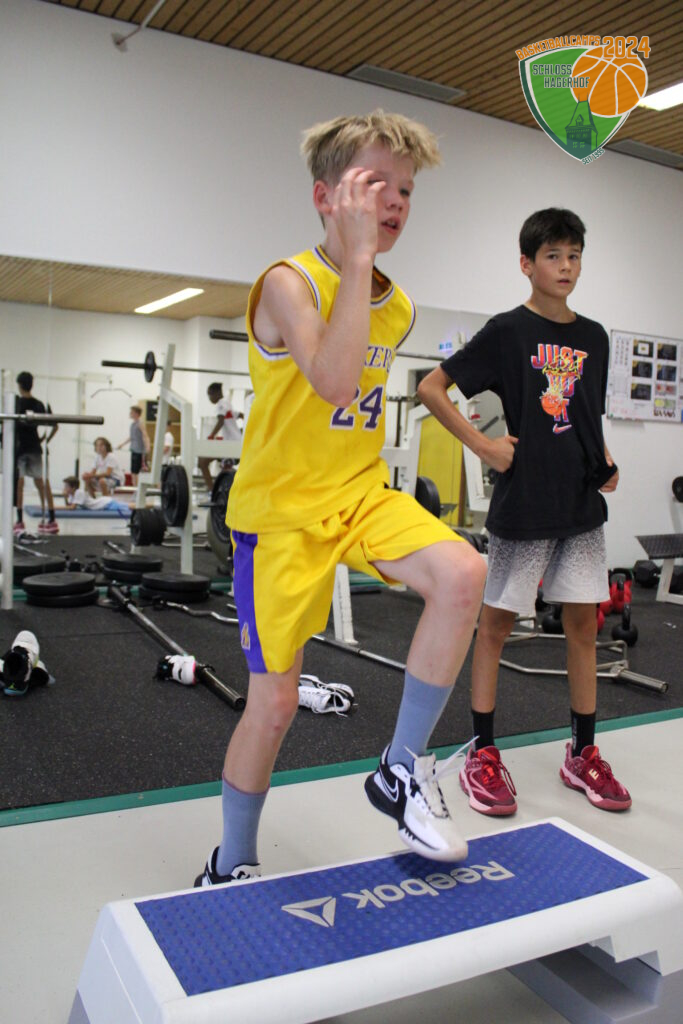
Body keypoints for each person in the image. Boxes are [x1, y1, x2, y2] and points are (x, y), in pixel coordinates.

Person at [194, 110, 487, 889]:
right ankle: (230, 862)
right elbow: (330, 380)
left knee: (462, 572)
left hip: (357, 493)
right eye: (372, 184)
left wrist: (362, 268)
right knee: (274, 705)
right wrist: (355, 260)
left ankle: (400, 768)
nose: (392, 202)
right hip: (278, 517)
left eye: (405, 191)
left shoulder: (398, 304)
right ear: (326, 197)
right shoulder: (288, 283)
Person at [417, 207, 631, 817]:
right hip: (525, 503)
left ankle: (582, 753)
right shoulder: (508, 331)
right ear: (526, 264)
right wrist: (484, 446)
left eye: (574, 256)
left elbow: (586, 415)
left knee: (584, 629)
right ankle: (483, 753)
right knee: (495, 628)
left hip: (580, 506)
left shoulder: (595, 337)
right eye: (553, 256)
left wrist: (606, 461)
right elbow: (431, 388)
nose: (566, 267)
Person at [13, 371, 59, 535]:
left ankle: (19, 521)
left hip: (21, 449)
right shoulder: (38, 404)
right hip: (33, 447)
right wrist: (44, 440)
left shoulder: (16, 404)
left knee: (20, 485)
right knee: (41, 483)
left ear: (19, 385)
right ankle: (51, 519)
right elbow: (55, 426)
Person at [198, 383, 241, 489]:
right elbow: (240, 415)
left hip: (230, 445)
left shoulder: (221, 405)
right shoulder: (228, 404)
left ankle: (211, 490)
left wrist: (211, 435)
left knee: (202, 462)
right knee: (223, 468)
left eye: (210, 394)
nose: (209, 398)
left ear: (217, 393)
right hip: (236, 442)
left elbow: (221, 421)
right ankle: (216, 489)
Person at [117, 406, 150, 485]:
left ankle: (137, 487)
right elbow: (132, 437)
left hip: (139, 451)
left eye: (132, 412)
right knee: (133, 471)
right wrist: (122, 444)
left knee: (136, 471)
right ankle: (134, 486)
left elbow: (145, 435)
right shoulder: (133, 424)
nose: (130, 413)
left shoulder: (140, 423)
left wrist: (147, 447)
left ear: (136, 414)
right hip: (134, 450)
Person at [62, 476, 131, 513]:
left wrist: (56, 507)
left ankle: (137, 506)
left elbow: (72, 507)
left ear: (73, 487)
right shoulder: (72, 495)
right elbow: (69, 506)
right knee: (127, 506)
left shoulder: (79, 492)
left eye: (66, 486)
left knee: (128, 506)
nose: (65, 488)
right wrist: (65, 497)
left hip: (105, 503)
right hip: (103, 504)